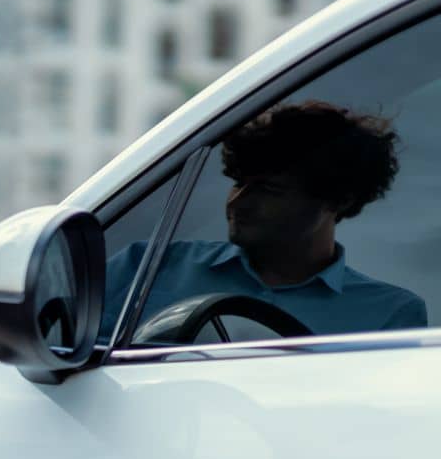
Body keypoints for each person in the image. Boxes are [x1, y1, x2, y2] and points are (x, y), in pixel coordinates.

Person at [103, 101, 427, 341]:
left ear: (337, 200)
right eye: (238, 181)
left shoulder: (390, 314)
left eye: (268, 190)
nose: (238, 201)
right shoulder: (146, 268)